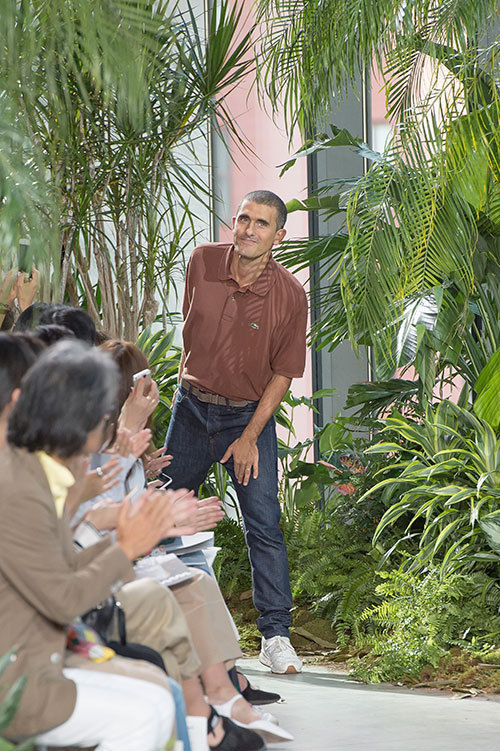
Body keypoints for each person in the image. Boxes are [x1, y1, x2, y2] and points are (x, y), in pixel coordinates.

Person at [0, 340, 183, 749]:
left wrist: (131, 536)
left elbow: (65, 566)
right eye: (103, 411)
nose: (110, 423)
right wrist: (125, 547)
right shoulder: (19, 487)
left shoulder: (34, 473)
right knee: (143, 713)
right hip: (16, 686)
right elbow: (64, 600)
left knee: (156, 699)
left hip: (37, 666)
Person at [161, 190, 308, 674]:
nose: (248, 229)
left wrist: (248, 436)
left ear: (278, 236)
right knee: (165, 513)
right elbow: (189, 331)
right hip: (191, 409)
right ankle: (158, 622)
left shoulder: (289, 295)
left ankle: (275, 637)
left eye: (261, 224)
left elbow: (283, 373)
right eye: (244, 218)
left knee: (263, 524)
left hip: (247, 418)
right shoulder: (201, 262)